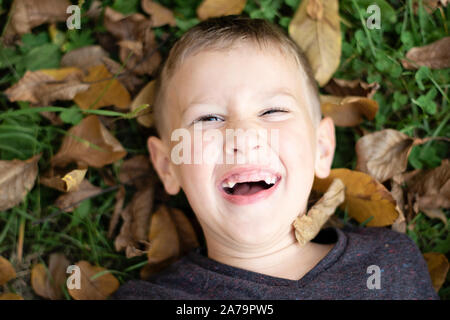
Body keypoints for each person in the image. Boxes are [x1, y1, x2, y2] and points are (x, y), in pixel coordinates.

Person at [112, 16, 438, 300]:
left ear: (322, 148)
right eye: (208, 118)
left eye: (272, 111)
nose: (243, 136)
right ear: (169, 166)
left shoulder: (386, 263)